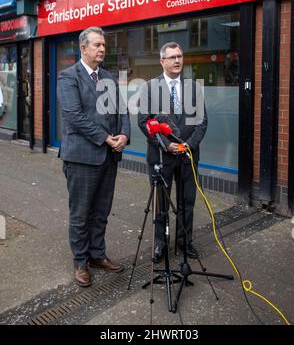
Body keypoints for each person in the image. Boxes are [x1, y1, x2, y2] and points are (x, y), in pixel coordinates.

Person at [57, 27, 130, 287]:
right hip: (81, 158)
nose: (101, 49)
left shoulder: (109, 77)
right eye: (97, 45)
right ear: (83, 48)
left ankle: (97, 255)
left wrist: (124, 135)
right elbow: (74, 116)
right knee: (81, 213)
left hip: (108, 157)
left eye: (103, 45)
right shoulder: (68, 77)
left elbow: (122, 111)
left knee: (101, 211)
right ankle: (80, 262)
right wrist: (105, 137)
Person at [138, 42, 207, 263]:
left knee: (187, 202)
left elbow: (202, 122)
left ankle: (184, 242)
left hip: (188, 155)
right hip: (161, 156)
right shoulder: (149, 87)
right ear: (162, 61)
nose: (177, 60)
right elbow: (144, 121)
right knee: (161, 204)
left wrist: (188, 145)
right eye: (172, 57)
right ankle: (160, 244)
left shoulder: (194, 87)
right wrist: (165, 145)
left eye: (180, 56)